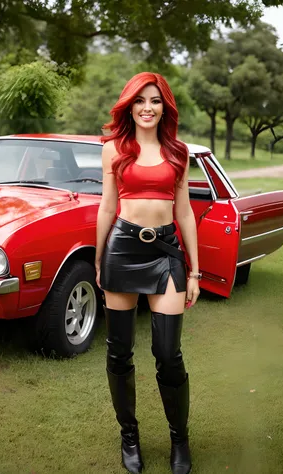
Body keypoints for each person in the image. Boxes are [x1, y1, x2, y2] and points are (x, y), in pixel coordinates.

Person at [95, 72, 200, 474]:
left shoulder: (178, 151)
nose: (147, 108)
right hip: (122, 249)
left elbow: (185, 211)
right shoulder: (113, 149)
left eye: (155, 100)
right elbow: (107, 207)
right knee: (119, 352)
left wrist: (194, 271)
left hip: (166, 253)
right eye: (139, 101)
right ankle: (129, 437)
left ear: (164, 107)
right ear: (129, 106)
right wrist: (100, 259)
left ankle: (180, 440)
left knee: (168, 354)